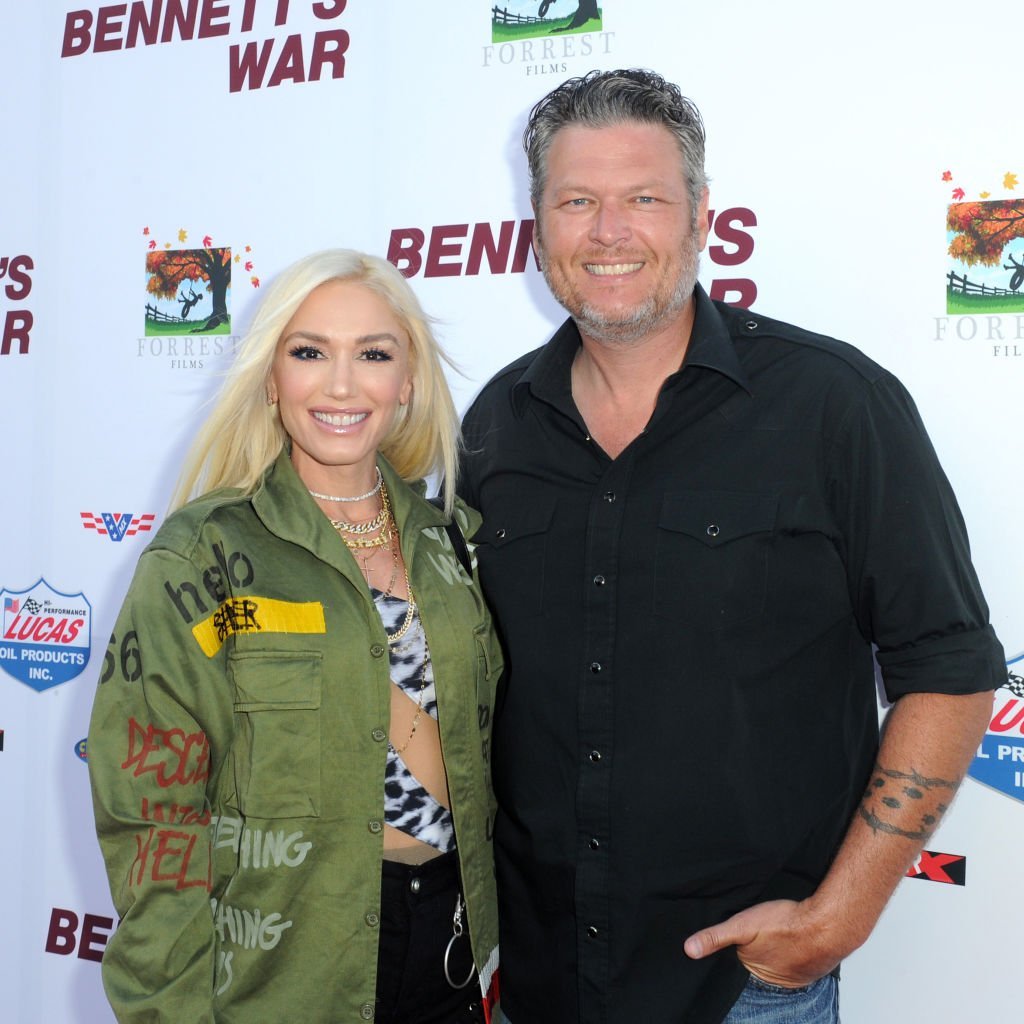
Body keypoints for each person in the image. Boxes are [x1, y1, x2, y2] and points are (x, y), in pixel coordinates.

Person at [458, 69, 1003, 1024]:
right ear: (536, 223)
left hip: (747, 991)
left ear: (702, 215)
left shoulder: (835, 406)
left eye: (645, 200)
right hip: (538, 981)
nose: (610, 231)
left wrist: (841, 914)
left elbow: (950, 669)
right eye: (576, 200)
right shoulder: (496, 424)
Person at [89, 249, 502, 1024]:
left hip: (454, 959)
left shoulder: (457, 543)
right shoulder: (202, 555)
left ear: (406, 382)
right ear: (272, 379)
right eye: (309, 352)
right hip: (285, 971)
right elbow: (154, 819)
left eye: (373, 354)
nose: (341, 385)